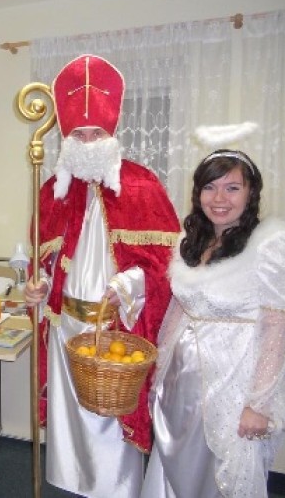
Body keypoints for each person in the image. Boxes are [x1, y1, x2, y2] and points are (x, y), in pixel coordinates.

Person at [24, 54, 180, 498]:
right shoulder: (52, 190)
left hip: (115, 330)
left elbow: (164, 266)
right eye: (79, 134)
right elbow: (43, 262)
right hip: (65, 329)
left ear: (111, 135)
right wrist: (38, 286)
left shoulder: (141, 185)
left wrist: (126, 285)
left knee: (110, 427)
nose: (89, 142)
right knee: (71, 427)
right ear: (66, 138)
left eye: (97, 134)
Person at [141, 131, 285, 498]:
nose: (219, 199)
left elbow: (277, 330)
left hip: (231, 382)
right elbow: (180, 309)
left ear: (251, 193)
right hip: (180, 381)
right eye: (210, 187)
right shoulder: (191, 243)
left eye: (232, 188)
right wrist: (159, 372)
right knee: (171, 465)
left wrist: (257, 405)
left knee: (217, 476)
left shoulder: (269, 248)